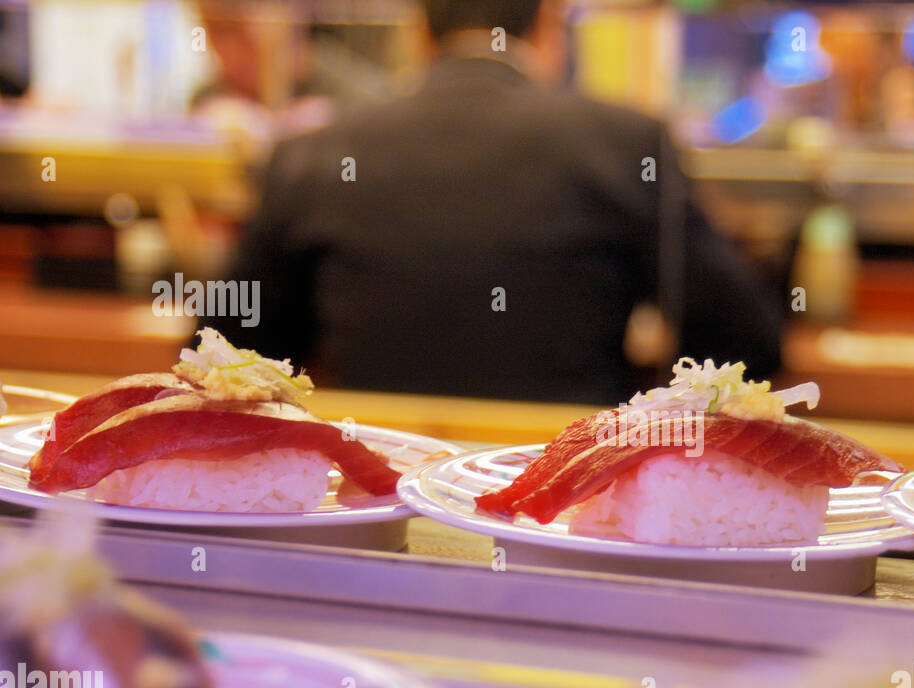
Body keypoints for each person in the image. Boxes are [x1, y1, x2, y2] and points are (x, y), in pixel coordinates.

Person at [218, 0, 784, 404]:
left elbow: (231, 347)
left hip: (380, 485)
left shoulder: (312, 153)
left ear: (418, 31)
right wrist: (654, 427)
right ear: (549, 22)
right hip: (563, 503)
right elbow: (742, 338)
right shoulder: (625, 142)